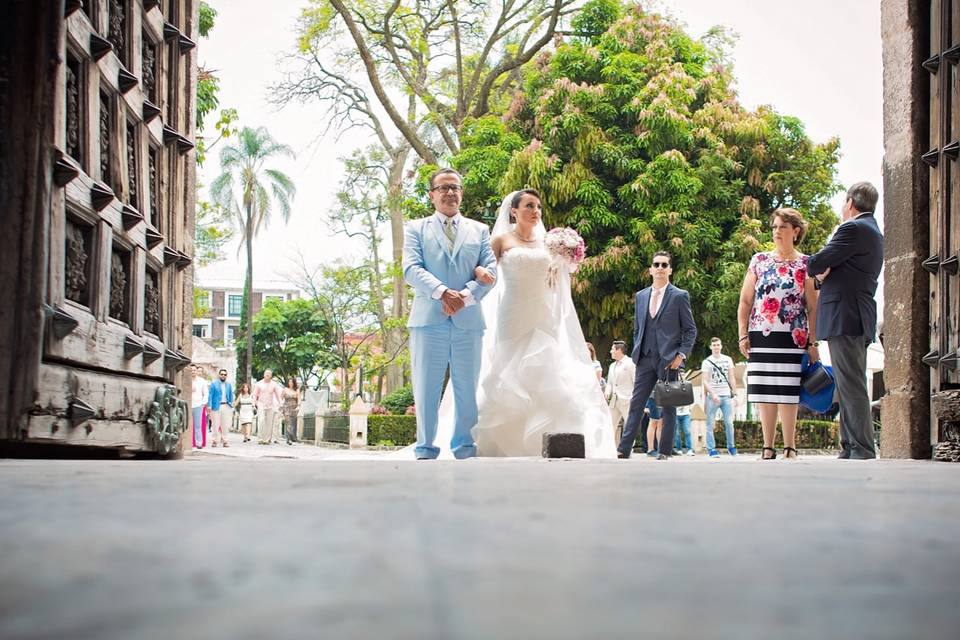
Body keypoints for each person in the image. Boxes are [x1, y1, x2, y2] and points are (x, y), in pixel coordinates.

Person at [471, 190, 617, 458]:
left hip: (544, 311)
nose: (536, 211)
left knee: (548, 369)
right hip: (512, 312)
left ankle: (554, 441)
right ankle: (504, 444)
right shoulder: (501, 240)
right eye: (529, 206)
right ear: (513, 211)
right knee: (509, 370)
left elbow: (560, 276)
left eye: (538, 206)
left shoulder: (549, 243)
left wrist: (564, 261)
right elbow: (484, 270)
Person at [402, 168, 498, 460]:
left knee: (466, 388)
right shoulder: (415, 228)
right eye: (443, 188)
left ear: (461, 193)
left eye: (455, 187)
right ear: (432, 195)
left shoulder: (479, 230)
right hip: (428, 320)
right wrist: (443, 292)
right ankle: (425, 448)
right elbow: (411, 269)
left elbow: (491, 270)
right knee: (426, 387)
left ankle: (464, 448)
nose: (450, 192)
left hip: (468, 321)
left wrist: (466, 296)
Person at [807, 182, 884, 460]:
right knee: (847, 381)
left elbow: (816, 263)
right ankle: (850, 445)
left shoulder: (853, 228)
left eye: (843, 203)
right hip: (855, 314)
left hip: (846, 314)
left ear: (851, 202)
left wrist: (821, 270)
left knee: (850, 383)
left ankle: (861, 448)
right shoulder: (873, 231)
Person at [738, 208, 820, 460]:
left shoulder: (806, 263)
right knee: (764, 390)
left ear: (795, 231)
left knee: (788, 390)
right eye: (774, 227)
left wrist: (812, 341)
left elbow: (813, 306)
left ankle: (790, 446)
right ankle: (767, 446)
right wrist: (742, 334)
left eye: (782, 227)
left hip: (793, 335)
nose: (776, 232)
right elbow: (745, 300)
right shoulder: (759, 260)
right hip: (761, 333)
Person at [618, 250, 697, 459]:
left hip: (669, 360)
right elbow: (638, 328)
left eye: (664, 265)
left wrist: (681, 356)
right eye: (656, 265)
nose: (660, 268)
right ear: (651, 269)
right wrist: (637, 351)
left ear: (670, 269)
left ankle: (663, 451)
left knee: (668, 408)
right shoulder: (641, 296)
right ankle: (623, 450)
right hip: (644, 358)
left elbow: (690, 330)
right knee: (636, 404)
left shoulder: (680, 296)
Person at [701, 337, 738, 457]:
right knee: (710, 423)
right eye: (714, 345)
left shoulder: (728, 360)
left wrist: (735, 394)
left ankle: (731, 447)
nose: (716, 347)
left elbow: (732, 377)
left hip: (726, 395)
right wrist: (712, 393)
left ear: (721, 346)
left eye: (718, 345)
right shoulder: (706, 362)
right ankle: (711, 449)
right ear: (711, 347)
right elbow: (705, 381)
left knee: (729, 422)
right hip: (713, 397)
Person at [605, 340, 635, 445]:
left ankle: (628, 448)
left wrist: (634, 398)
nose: (610, 351)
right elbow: (609, 382)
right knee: (610, 424)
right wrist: (607, 392)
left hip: (627, 398)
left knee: (629, 425)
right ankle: (609, 447)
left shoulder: (630, 363)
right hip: (614, 399)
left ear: (619, 350)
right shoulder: (612, 365)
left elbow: (636, 381)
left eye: (612, 349)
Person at [253, 369, 282, 445]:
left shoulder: (274, 384)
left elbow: (277, 395)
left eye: (269, 374)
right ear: (264, 375)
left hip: (270, 405)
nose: (267, 375)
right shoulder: (259, 384)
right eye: (266, 373)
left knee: (269, 423)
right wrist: (254, 404)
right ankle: (260, 438)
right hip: (261, 404)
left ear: (271, 376)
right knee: (261, 421)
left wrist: (280, 403)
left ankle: (267, 439)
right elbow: (255, 395)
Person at [207, 368, 234, 448]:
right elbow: (210, 395)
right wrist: (209, 405)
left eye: (225, 375)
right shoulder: (214, 384)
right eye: (222, 374)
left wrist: (231, 404)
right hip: (216, 406)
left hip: (226, 406)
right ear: (219, 375)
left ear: (226, 376)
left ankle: (225, 441)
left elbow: (231, 395)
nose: (223, 376)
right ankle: (215, 440)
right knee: (215, 425)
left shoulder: (228, 385)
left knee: (225, 425)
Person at [190, 365, 207, 450]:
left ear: (197, 371)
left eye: (194, 370)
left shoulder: (202, 381)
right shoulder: (187, 380)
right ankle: (188, 443)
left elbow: (205, 393)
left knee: (198, 426)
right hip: (188, 405)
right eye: (191, 370)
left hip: (198, 405)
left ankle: (199, 443)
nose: (193, 371)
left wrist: (203, 404)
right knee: (188, 425)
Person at [282, 377, 301, 445]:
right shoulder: (285, 389)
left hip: (294, 408)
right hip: (286, 407)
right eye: (289, 382)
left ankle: (291, 437)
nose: (290, 383)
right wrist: (280, 406)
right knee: (288, 422)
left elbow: (299, 399)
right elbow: (281, 397)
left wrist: (298, 406)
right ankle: (289, 439)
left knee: (293, 423)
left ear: (294, 383)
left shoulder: (297, 390)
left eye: (292, 382)